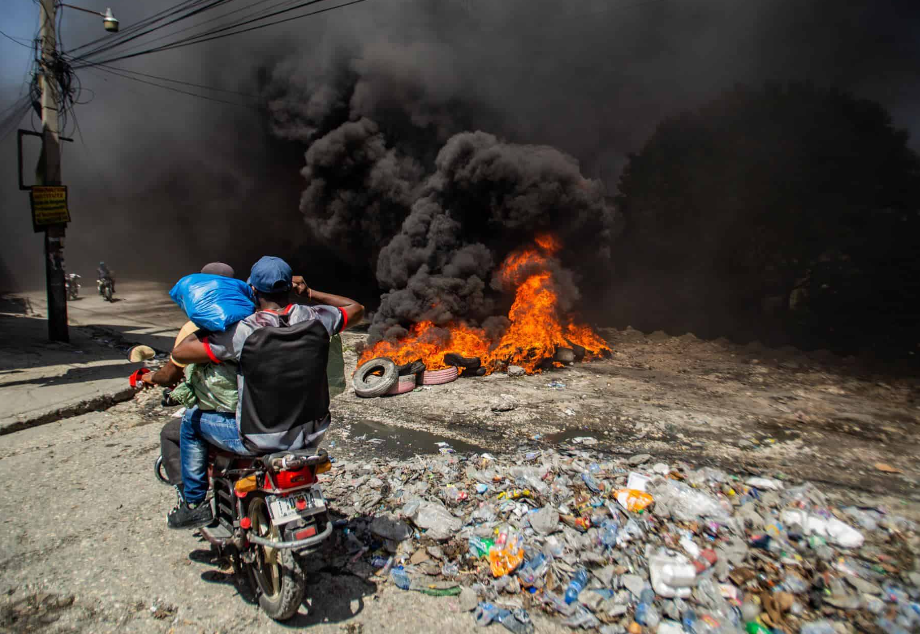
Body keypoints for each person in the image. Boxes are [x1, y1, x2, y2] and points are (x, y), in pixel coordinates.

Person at [168, 256, 364, 529]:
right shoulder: (316, 319)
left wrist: (208, 319)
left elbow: (181, 352)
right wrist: (309, 293)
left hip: (260, 439)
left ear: (254, 291)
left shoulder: (242, 331)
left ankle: (194, 505)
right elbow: (356, 308)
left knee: (190, 421)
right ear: (289, 288)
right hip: (312, 432)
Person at [143, 262, 237, 488]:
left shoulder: (193, 329)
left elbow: (170, 376)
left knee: (173, 432)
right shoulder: (255, 318)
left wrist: (149, 378)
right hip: (265, 413)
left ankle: (191, 499)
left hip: (227, 416)